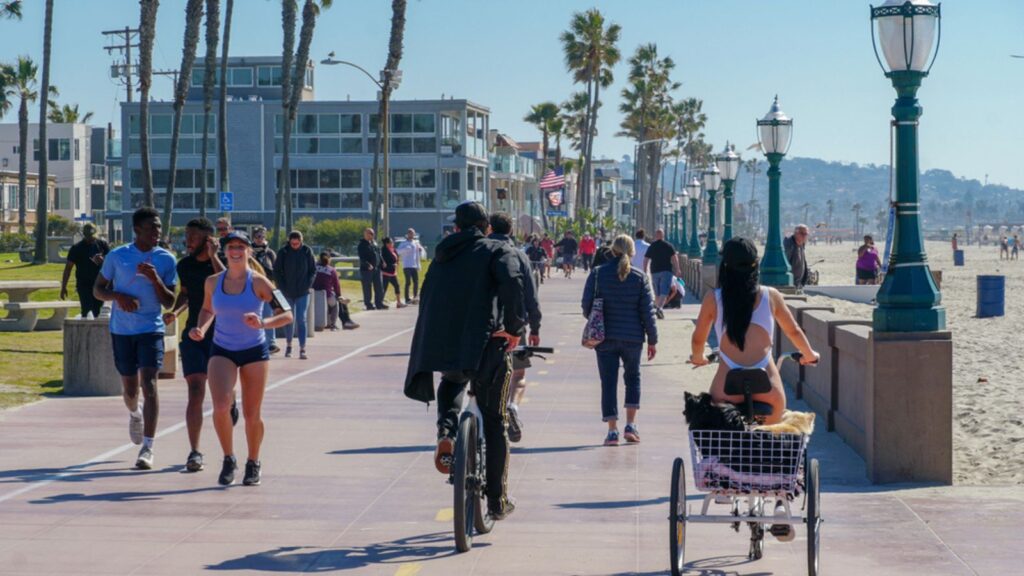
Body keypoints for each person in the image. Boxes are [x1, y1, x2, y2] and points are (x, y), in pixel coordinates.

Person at [405, 201, 526, 521]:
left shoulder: (442, 255)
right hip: (489, 345)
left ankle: (447, 432)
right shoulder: (497, 250)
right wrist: (515, 329)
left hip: (447, 344)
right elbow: (513, 284)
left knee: (452, 380)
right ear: (486, 227)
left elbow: (427, 297)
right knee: (495, 420)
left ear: (456, 228)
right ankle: (497, 500)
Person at [189, 231, 293, 486]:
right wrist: (200, 327)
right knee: (221, 406)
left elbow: (287, 313)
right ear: (224, 251)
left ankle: (253, 461)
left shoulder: (259, 282)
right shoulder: (213, 282)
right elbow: (206, 308)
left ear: (248, 251)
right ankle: (228, 458)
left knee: (251, 413)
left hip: (254, 352)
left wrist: (264, 323)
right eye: (231, 247)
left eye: (241, 247)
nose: (235, 251)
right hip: (222, 349)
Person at [689, 237, 819, 424]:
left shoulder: (713, 299)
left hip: (726, 389)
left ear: (725, 266)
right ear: (755, 265)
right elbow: (794, 332)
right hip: (769, 391)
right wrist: (809, 354)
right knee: (768, 445)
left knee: (722, 439)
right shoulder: (771, 296)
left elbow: (698, 340)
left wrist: (698, 357)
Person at [93, 207, 177, 470]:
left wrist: (154, 279)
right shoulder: (118, 256)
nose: (157, 232)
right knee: (131, 390)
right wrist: (118, 296)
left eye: (159, 227)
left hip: (151, 329)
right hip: (122, 330)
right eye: (152, 227)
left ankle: (148, 448)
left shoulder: (166, 259)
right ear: (137, 229)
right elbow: (98, 290)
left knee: (149, 385)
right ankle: (134, 413)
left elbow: (170, 301)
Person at [162, 217, 234, 472]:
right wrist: (176, 312)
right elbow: (187, 294)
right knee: (195, 390)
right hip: (194, 336)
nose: (187, 241)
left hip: (222, 338)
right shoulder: (185, 266)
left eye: (193, 236)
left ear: (208, 238)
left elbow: (226, 285)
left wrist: (215, 256)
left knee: (221, 397)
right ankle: (194, 452)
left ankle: (231, 400)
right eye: (186, 235)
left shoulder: (224, 265)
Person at [582, 235, 657, 446]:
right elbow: (647, 312)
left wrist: (597, 319)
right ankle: (631, 426)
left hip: (605, 338)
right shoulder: (639, 277)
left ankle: (612, 431)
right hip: (633, 338)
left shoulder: (598, 274)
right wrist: (653, 339)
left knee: (608, 382)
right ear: (632, 252)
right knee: (633, 378)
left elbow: (586, 305)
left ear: (612, 251)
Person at [488, 213, 542, 444]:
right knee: (518, 375)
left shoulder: (480, 253)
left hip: (484, 325)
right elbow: (532, 296)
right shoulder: (520, 256)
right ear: (511, 231)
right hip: (514, 326)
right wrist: (536, 327)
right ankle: (512, 406)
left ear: (489, 229)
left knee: (481, 372)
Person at [273, 230, 316, 359]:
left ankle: (303, 348)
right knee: (289, 319)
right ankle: (289, 345)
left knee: (301, 319)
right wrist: (281, 287)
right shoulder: (283, 252)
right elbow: (277, 271)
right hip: (287, 292)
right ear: (289, 242)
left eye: (297, 244)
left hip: (303, 292)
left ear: (301, 241)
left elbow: (313, 270)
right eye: (293, 244)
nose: (295, 246)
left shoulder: (307, 251)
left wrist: (308, 284)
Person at [61, 222, 110, 318]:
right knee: (87, 310)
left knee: (97, 310)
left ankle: (94, 332)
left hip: (99, 284)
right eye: (88, 237)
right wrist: (64, 287)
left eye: (92, 236)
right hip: (83, 284)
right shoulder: (77, 248)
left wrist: (103, 261)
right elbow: (68, 268)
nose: (90, 239)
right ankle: (85, 331)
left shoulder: (102, 245)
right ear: (84, 235)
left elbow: (112, 263)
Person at [250, 226, 280, 353]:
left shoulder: (270, 253)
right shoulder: (249, 252)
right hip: (252, 287)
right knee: (255, 315)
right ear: (253, 238)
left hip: (267, 288)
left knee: (268, 314)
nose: (260, 239)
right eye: (257, 237)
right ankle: (255, 342)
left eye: (262, 237)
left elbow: (275, 272)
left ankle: (271, 343)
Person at [643, 228, 681, 319]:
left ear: (656, 236)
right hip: (666, 271)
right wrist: (677, 269)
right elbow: (675, 258)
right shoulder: (668, 245)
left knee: (657, 293)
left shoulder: (652, 246)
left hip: (655, 271)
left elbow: (646, 259)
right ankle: (659, 308)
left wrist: (644, 270)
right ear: (663, 235)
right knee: (664, 291)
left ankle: (658, 308)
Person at [357, 228, 386, 310]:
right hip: (367, 270)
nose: (373, 235)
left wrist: (383, 261)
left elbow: (379, 253)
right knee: (367, 288)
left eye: (373, 233)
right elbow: (361, 258)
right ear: (366, 234)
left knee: (379, 287)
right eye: (370, 233)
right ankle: (368, 305)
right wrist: (367, 264)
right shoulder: (362, 245)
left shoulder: (374, 243)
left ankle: (379, 303)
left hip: (377, 269)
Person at [397, 228, 425, 304]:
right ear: (407, 234)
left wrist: (420, 250)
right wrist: (405, 249)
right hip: (406, 265)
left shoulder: (416, 243)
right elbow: (398, 251)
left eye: (412, 233)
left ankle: (415, 297)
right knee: (408, 282)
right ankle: (407, 298)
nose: (411, 235)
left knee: (416, 282)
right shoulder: (403, 243)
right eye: (410, 233)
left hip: (414, 265)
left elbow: (421, 253)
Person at [380, 237, 406, 308]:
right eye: (391, 242)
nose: (392, 243)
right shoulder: (383, 251)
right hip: (386, 272)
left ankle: (399, 303)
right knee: (384, 288)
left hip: (393, 272)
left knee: (397, 286)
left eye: (392, 242)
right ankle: (380, 303)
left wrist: (397, 262)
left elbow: (397, 257)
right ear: (386, 244)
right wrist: (392, 265)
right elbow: (383, 262)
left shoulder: (393, 250)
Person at [783, 224, 811, 288]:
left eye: (806, 234)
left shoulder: (801, 244)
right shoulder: (789, 245)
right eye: (802, 233)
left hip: (798, 284)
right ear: (796, 233)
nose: (804, 236)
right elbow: (784, 265)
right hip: (790, 285)